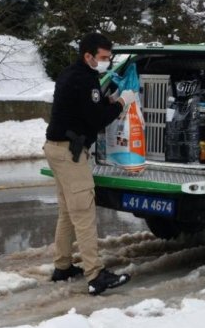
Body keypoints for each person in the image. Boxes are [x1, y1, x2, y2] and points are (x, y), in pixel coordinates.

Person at [43, 32, 136, 296]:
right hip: (70, 154)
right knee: (84, 214)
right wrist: (120, 103)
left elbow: (82, 108)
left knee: (67, 213)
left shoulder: (71, 74)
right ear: (89, 56)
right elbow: (97, 120)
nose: (107, 61)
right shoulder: (86, 80)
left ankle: (62, 267)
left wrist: (105, 102)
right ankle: (95, 276)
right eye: (104, 57)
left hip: (55, 148)